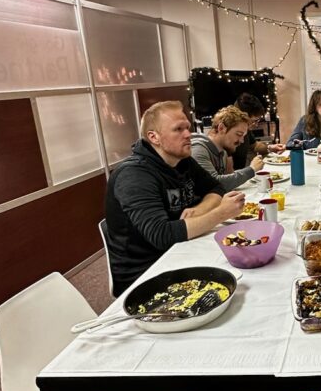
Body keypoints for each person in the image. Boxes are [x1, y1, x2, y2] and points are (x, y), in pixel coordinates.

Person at [105, 101, 245, 295]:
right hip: (146, 274)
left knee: (245, 263)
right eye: (178, 129)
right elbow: (162, 235)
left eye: (187, 127)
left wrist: (201, 209)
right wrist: (220, 213)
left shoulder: (181, 159)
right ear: (154, 137)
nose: (188, 134)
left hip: (182, 249)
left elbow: (215, 187)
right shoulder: (133, 175)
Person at [191, 104, 264, 190]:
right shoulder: (198, 149)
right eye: (239, 134)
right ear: (221, 128)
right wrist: (252, 169)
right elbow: (214, 184)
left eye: (243, 136)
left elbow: (227, 179)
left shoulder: (223, 152)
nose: (242, 141)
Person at [230, 92, 283, 170]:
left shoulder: (246, 129)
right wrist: (251, 169)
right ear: (241, 116)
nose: (256, 125)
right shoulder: (228, 135)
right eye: (254, 121)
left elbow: (254, 145)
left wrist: (270, 147)